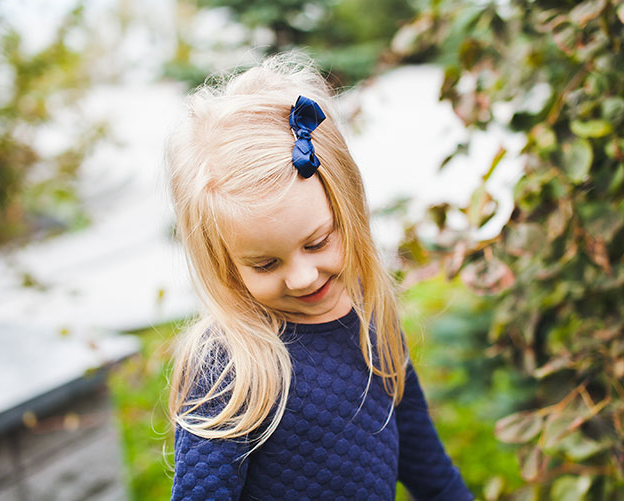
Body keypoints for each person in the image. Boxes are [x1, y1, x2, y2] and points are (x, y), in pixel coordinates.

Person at [165, 53, 473, 500]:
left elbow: (430, 470)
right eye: (266, 264)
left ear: (347, 208)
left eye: (317, 243)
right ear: (225, 264)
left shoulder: (373, 324)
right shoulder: (232, 365)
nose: (304, 277)